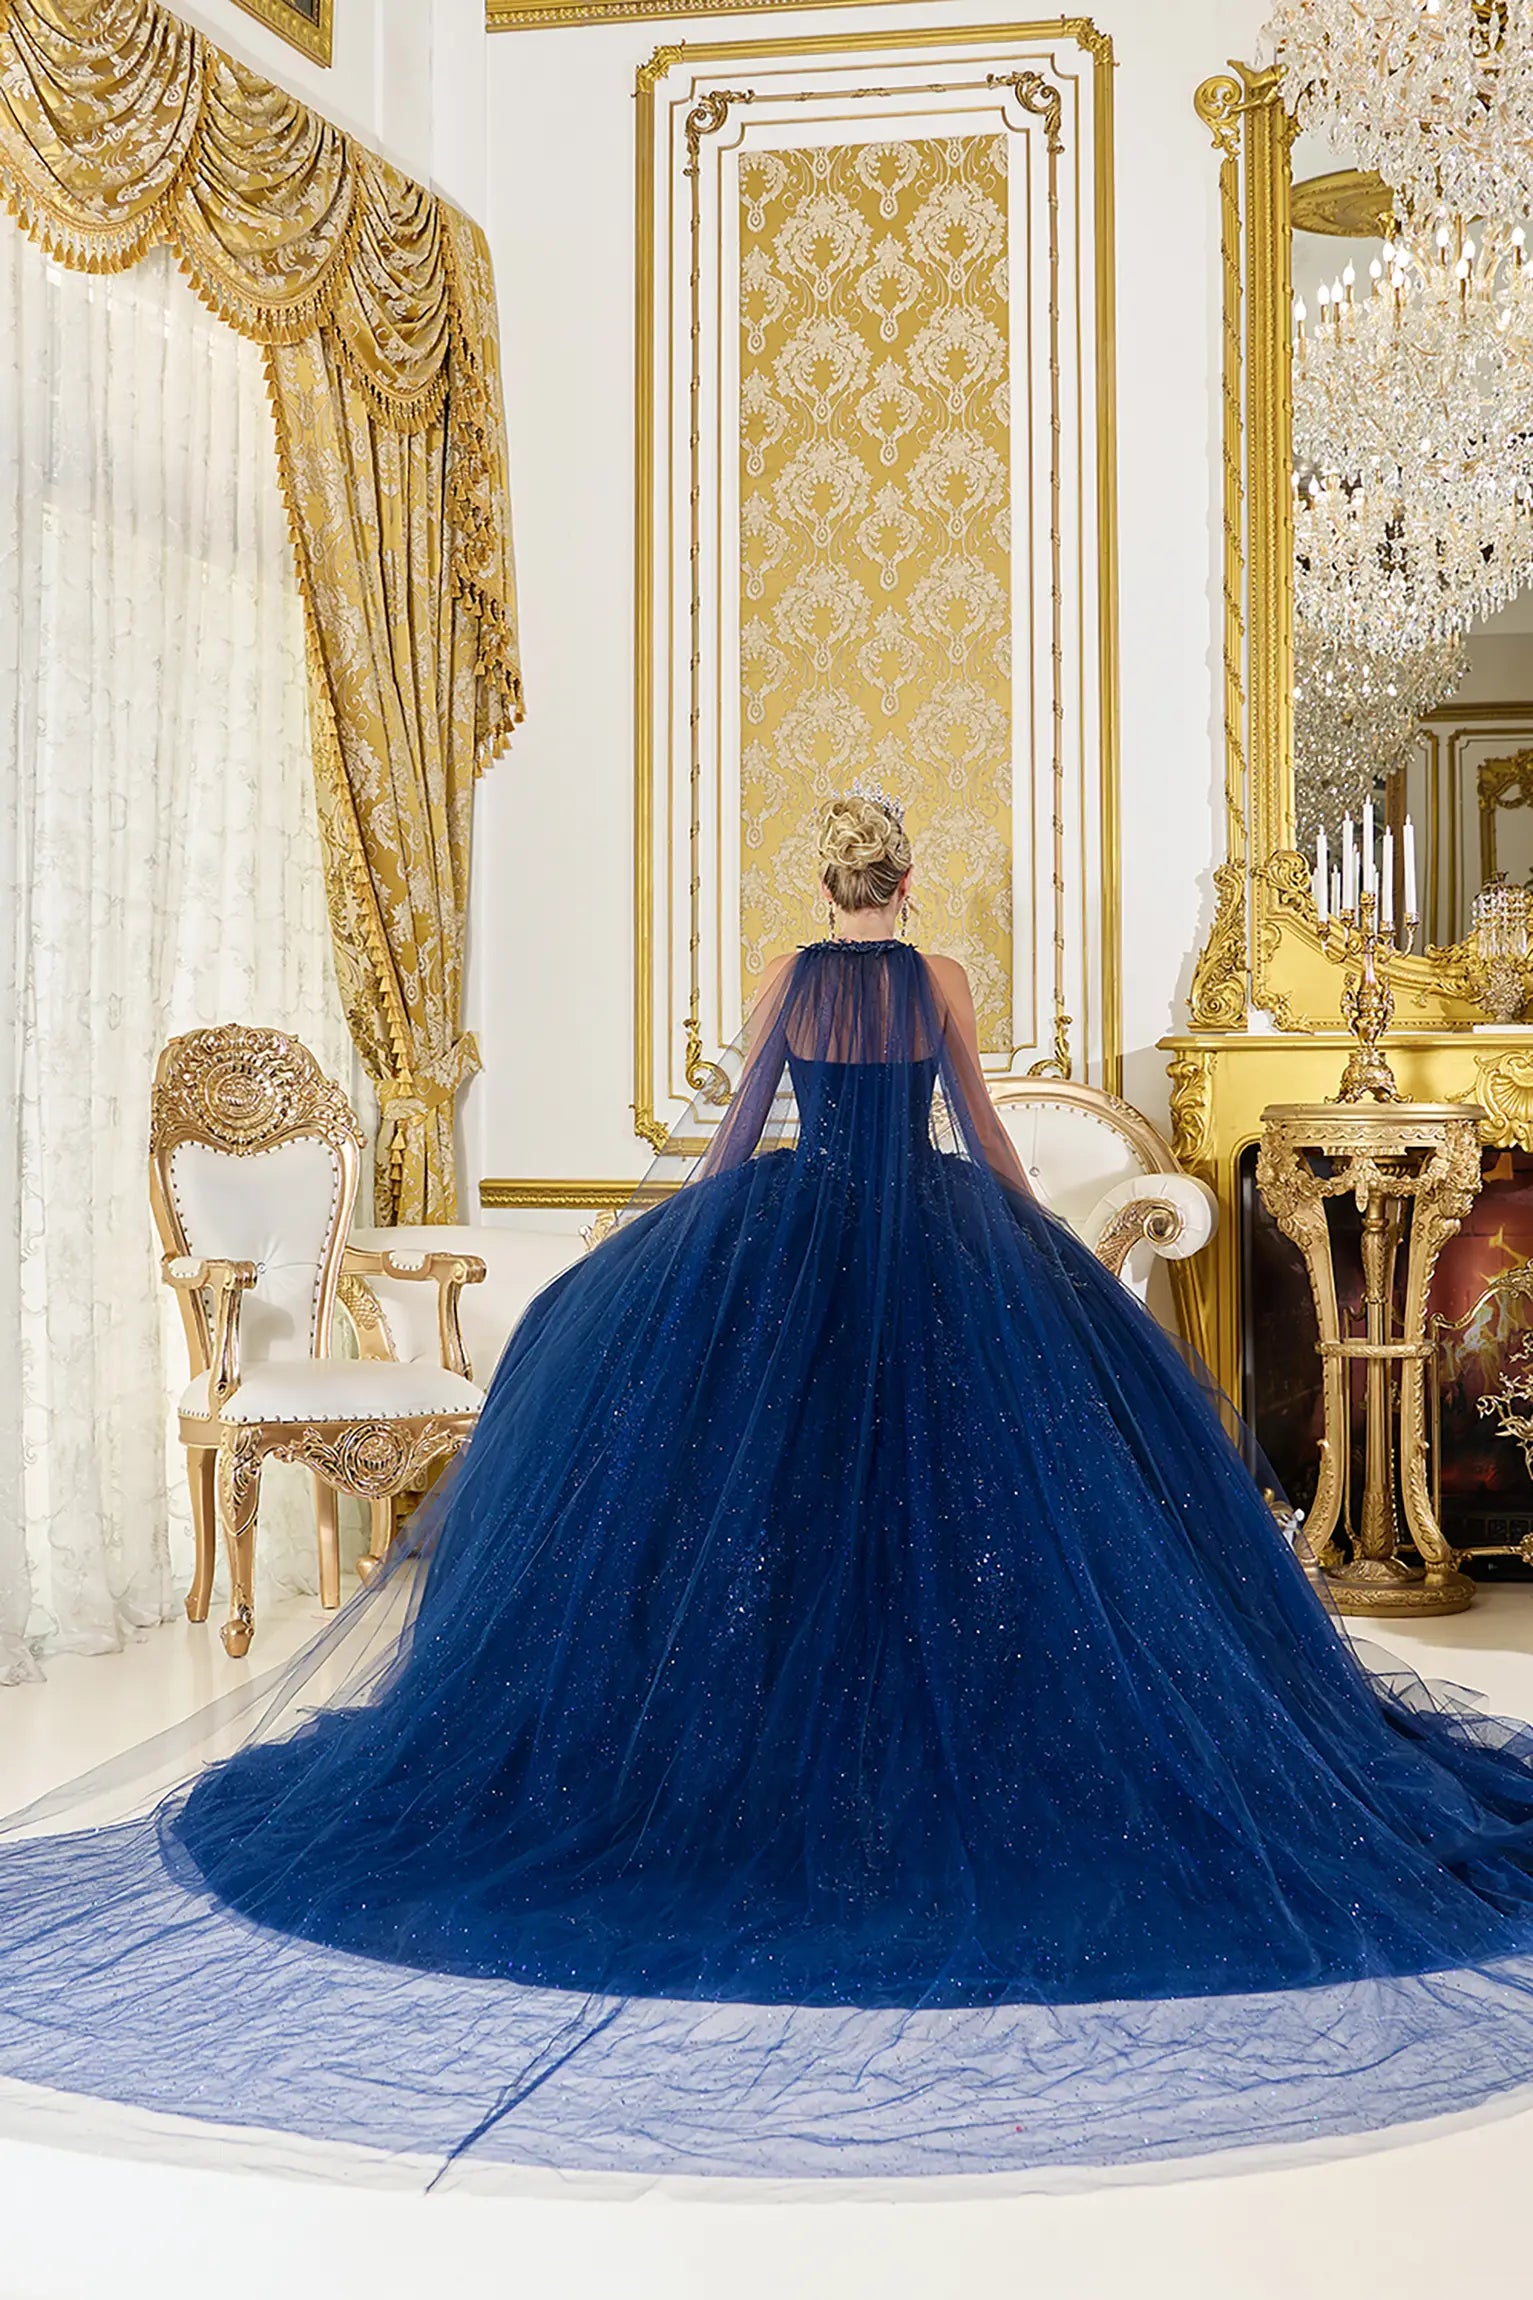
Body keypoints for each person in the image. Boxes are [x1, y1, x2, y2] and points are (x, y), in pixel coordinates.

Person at [8, 786, 1533, 2186]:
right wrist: (1037, 1254)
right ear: (908, 881)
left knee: (782, 1510)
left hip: (796, 1227)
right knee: (964, 1507)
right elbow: (987, 1138)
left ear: (822, 882)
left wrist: (686, 1235)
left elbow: (742, 1127)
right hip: (937, 1236)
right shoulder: (936, 983)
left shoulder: (793, 983)